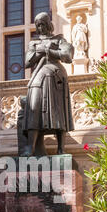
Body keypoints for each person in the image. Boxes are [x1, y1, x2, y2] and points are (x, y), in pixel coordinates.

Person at [21, 12, 74, 156]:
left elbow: (67, 56)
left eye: (42, 24)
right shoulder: (33, 43)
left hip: (55, 76)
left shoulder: (59, 40)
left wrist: (49, 51)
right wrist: (39, 52)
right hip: (38, 77)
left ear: (48, 24)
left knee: (58, 112)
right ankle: (30, 148)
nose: (40, 27)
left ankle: (61, 148)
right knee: (34, 107)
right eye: (38, 25)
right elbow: (27, 62)